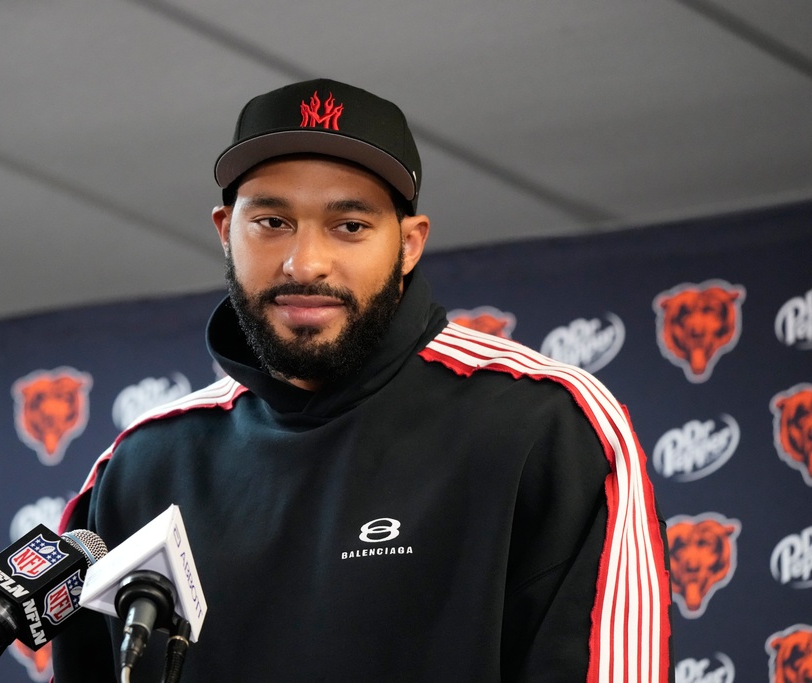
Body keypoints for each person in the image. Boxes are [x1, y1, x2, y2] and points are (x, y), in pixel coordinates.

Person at [53, 78, 674, 682]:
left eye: (349, 226)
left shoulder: (541, 421)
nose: (305, 263)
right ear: (225, 233)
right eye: (271, 222)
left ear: (408, 245)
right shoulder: (143, 464)